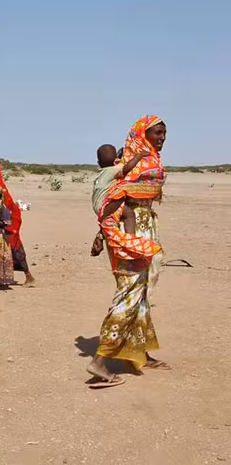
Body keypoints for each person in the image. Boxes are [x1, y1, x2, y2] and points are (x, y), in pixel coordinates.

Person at [86, 115, 169, 388]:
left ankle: (138, 354)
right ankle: (100, 360)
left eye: (164, 133)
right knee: (130, 293)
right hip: (130, 235)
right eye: (157, 132)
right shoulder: (131, 165)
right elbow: (113, 202)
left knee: (140, 294)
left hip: (143, 228)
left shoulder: (145, 160)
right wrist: (105, 233)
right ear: (143, 134)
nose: (162, 138)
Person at [0, 158, 36, 287]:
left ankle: (28, 276)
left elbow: (6, 207)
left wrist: (0, 222)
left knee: (14, 250)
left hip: (3, 226)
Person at [90, 144, 150, 256]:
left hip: (98, 207)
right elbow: (127, 168)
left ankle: (104, 238)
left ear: (99, 163)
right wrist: (139, 155)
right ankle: (131, 240)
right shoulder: (113, 170)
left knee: (112, 223)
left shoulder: (101, 174)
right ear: (115, 160)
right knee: (129, 214)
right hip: (107, 206)